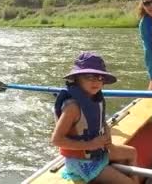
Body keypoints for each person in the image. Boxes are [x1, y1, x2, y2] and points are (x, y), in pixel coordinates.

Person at [52, 52, 138, 184]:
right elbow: (57, 140)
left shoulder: (94, 99)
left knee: (132, 152)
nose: (96, 81)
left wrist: (108, 136)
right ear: (77, 79)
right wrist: (89, 144)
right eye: (89, 77)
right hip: (81, 163)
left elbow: (100, 122)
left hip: (98, 152)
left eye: (100, 77)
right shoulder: (72, 107)